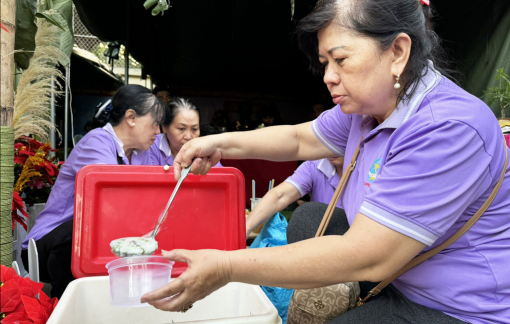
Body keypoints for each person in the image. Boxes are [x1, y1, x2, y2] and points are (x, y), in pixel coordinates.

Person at [142, 1, 510, 323]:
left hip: (454, 307)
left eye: (341, 59)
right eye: (324, 62)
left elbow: (368, 256)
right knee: (308, 221)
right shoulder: (366, 109)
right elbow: (300, 138)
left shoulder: (447, 128)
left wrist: (225, 267)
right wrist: (218, 142)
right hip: (400, 271)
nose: (329, 77)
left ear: (397, 52)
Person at [21, 85, 165, 298]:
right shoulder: (96, 141)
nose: (158, 132)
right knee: (89, 227)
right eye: (155, 123)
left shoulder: (142, 152)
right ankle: (65, 302)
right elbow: (114, 199)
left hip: (90, 243)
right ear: (131, 118)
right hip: (51, 245)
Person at [246, 157, 344, 237]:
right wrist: (246, 227)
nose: (333, 146)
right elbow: (279, 196)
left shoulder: (359, 174)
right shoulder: (314, 166)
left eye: (342, 138)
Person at [149, 97, 222, 167]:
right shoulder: (151, 146)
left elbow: (220, 175)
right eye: (181, 129)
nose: (189, 136)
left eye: (194, 129)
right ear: (164, 127)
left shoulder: (205, 149)